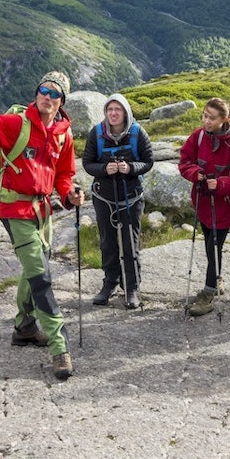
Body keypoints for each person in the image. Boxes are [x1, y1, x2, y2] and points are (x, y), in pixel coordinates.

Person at [0, 71, 85, 381]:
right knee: (41, 276)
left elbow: (63, 175)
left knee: (34, 268)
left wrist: (68, 194)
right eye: (43, 90)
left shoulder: (63, 134)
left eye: (54, 93)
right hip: (14, 207)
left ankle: (24, 328)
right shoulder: (16, 124)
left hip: (41, 209)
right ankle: (59, 348)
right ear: (37, 93)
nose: (47, 96)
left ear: (62, 101)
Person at [178, 98, 230, 317]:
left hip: (225, 206)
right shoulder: (198, 136)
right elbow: (184, 161)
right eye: (205, 116)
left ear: (224, 119)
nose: (206, 121)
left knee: (214, 246)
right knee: (210, 243)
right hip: (203, 203)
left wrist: (220, 184)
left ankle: (208, 293)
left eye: (212, 118)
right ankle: (217, 279)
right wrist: (195, 173)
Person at [82, 93, 154, 310]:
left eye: (118, 110)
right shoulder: (96, 133)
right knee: (108, 243)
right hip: (103, 197)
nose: (113, 113)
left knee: (130, 244)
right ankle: (110, 283)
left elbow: (148, 161)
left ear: (125, 112)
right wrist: (105, 169)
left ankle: (131, 287)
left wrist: (130, 168)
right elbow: (87, 163)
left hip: (130, 197)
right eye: (110, 110)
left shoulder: (137, 132)